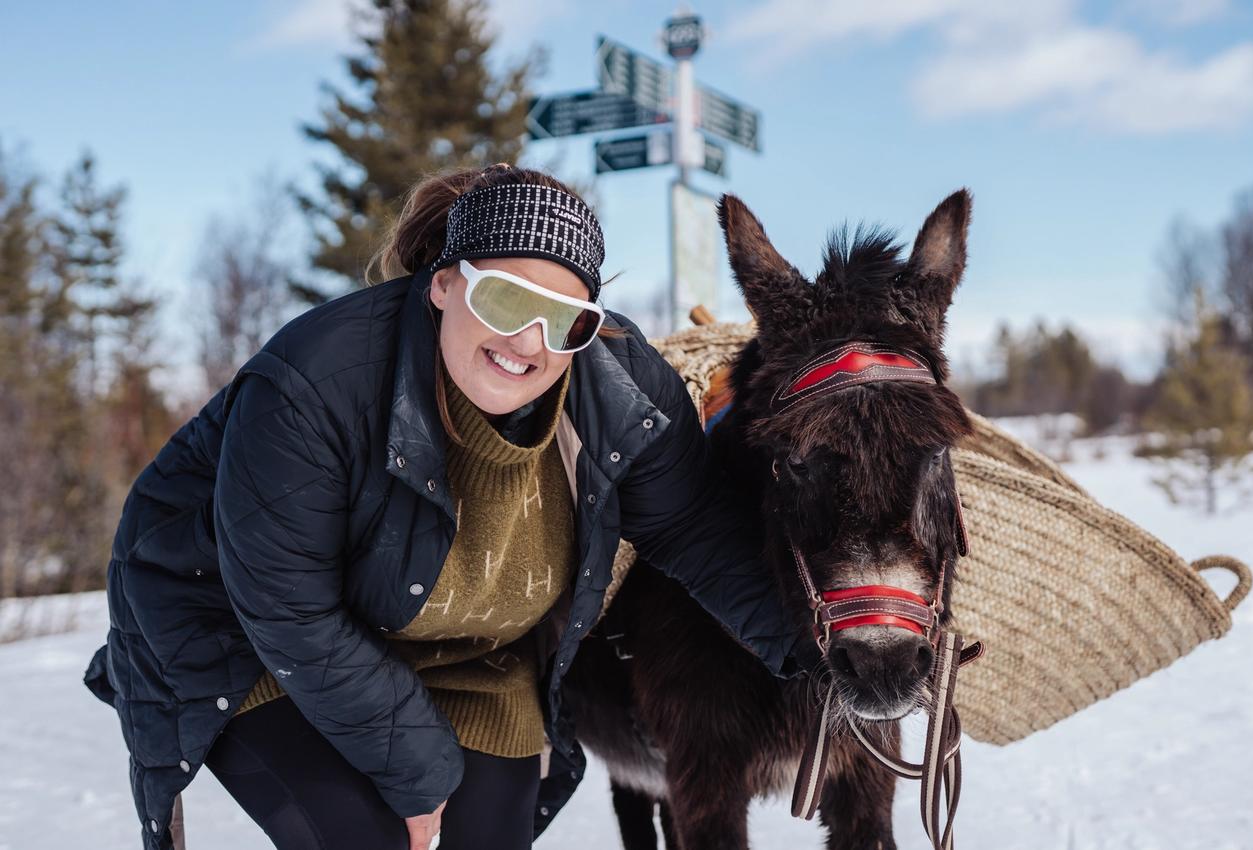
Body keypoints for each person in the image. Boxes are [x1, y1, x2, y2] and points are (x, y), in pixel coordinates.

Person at [83, 164, 813, 850]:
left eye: (566, 322)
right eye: (505, 301)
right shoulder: (313, 385)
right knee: (365, 835)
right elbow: (287, 607)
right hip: (251, 630)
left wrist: (814, 647)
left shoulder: (623, 394)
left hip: (471, 644)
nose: (529, 342)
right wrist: (415, 767)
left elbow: (693, 528)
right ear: (441, 285)